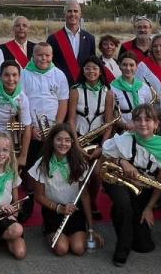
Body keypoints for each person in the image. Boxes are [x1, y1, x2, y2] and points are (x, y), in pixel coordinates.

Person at [101, 103, 161, 266]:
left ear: (156, 124)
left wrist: (149, 208)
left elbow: (160, 183)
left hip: (142, 189)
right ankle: (121, 251)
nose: (142, 123)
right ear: (133, 122)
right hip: (116, 180)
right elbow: (105, 160)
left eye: (148, 119)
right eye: (138, 119)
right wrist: (122, 161)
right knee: (125, 205)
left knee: (144, 246)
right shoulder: (125, 138)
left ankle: (120, 213)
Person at [18, 42, 70, 222]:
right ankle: (29, 202)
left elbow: (63, 102)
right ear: (33, 56)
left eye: (47, 56)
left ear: (52, 56)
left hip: (52, 130)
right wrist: (30, 128)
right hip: (32, 130)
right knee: (31, 168)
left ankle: (54, 203)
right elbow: (21, 103)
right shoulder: (24, 74)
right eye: (40, 55)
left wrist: (58, 128)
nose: (44, 59)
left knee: (50, 166)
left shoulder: (59, 75)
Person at [29, 123, 93, 257]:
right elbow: (39, 197)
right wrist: (59, 208)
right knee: (62, 249)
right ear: (52, 141)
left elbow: (85, 195)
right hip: (53, 210)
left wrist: (91, 228)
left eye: (67, 140)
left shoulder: (79, 163)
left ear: (72, 142)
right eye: (59, 139)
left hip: (74, 210)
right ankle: (48, 230)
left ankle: (70, 234)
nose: (63, 143)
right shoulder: (42, 164)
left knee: (79, 248)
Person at [67, 55, 115, 220]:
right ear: (83, 70)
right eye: (87, 68)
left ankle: (92, 202)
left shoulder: (108, 93)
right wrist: (76, 144)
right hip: (78, 137)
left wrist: (102, 147)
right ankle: (78, 202)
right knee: (79, 173)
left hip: (98, 140)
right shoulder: (75, 90)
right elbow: (71, 120)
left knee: (95, 174)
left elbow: (108, 124)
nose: (91, 71)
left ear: (100, 71)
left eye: (94, 68)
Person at [46, 0, 96, 86]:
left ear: (80, 14)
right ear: (64, 14)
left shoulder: (89, 38)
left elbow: (92, 63)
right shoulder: (53, 39)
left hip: (83, 86)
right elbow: (49, 65)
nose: (73, 14)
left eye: (75, 11)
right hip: (60, 86)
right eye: (69, 11)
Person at [111, 53, 154, 129]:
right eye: (124, 65)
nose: (128, 68)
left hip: (143, 128)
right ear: (119, 66)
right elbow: (111, 114)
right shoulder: (112, 87)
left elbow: (149, 109)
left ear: (136, 67)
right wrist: (124, 126)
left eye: (131, 65)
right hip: (122, 130)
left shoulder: (144, 86)